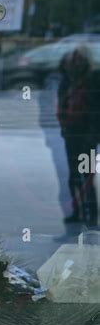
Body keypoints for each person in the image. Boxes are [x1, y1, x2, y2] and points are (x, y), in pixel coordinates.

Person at [57, 46, 99, 228]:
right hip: (73, 133)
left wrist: (92, 134)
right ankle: (79, 211)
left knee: (86, 174)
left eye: (79, 59)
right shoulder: (68, 81)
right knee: (75, 175)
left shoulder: (92, 80)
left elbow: (95, 110)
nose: (76, 63)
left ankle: (90, 212)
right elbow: (62, 105)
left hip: (85, 134)